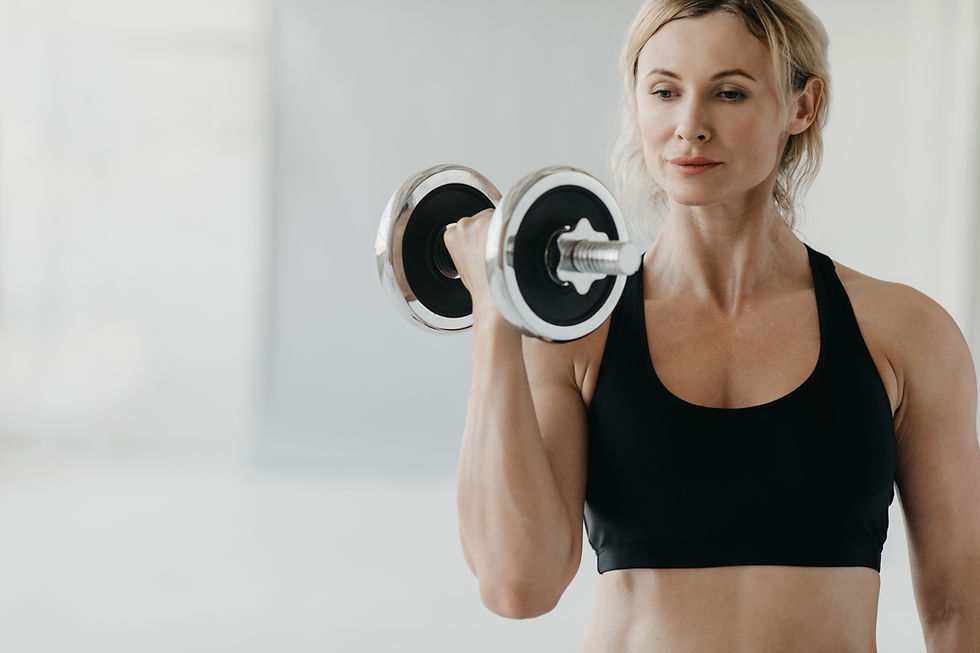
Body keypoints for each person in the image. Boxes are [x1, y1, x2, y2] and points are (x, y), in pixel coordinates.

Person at [442, 0, 980, 650]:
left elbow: (960, 607)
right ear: (637, 101)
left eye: (728, 92)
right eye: (665, 91)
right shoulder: (579, 336)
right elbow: (516, 584)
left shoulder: (907, 334)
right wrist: (495, 316)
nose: (689, 126)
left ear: (803, 105)